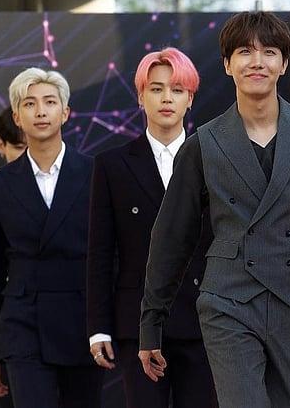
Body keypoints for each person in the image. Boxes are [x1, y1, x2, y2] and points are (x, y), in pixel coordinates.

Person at [139, 11, 290, 408]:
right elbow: (172, 237)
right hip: (227, 299)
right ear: (228, 65)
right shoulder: (202, 145)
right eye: (245, 51)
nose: (257, 61)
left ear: (284, 64)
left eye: (269, 51)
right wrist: (151, 320)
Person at [86, 47, 217, 408]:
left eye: (177, 89)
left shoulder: (214, 161)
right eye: (156, 89)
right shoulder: (112, 165)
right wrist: (98, 327)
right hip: (138, 321)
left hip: (203, 319)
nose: (166, 98)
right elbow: (100, 253)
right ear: (141, 96)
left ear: (190, 98)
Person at [0, 67, 104, 408]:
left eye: (49, 102)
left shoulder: (96, 173)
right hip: (23, 326)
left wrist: (107, 327)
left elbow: (111, 257)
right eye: (30, 104)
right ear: (17, 117)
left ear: (65, 112)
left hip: (82, 322)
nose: (40, 111)